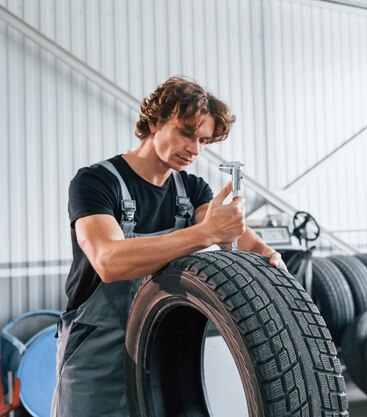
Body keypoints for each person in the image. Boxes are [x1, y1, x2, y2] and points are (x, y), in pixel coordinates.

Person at [51, 76, 285, 416]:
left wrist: (267, 255)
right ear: (156, 121)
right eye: (187, 133)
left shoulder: (191, 190)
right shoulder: (96, 182)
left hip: (156, 346)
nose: (195, 149)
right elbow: (109, 261)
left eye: (204, 140)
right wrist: (204, 234)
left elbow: (232, 232)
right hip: (97, 349)